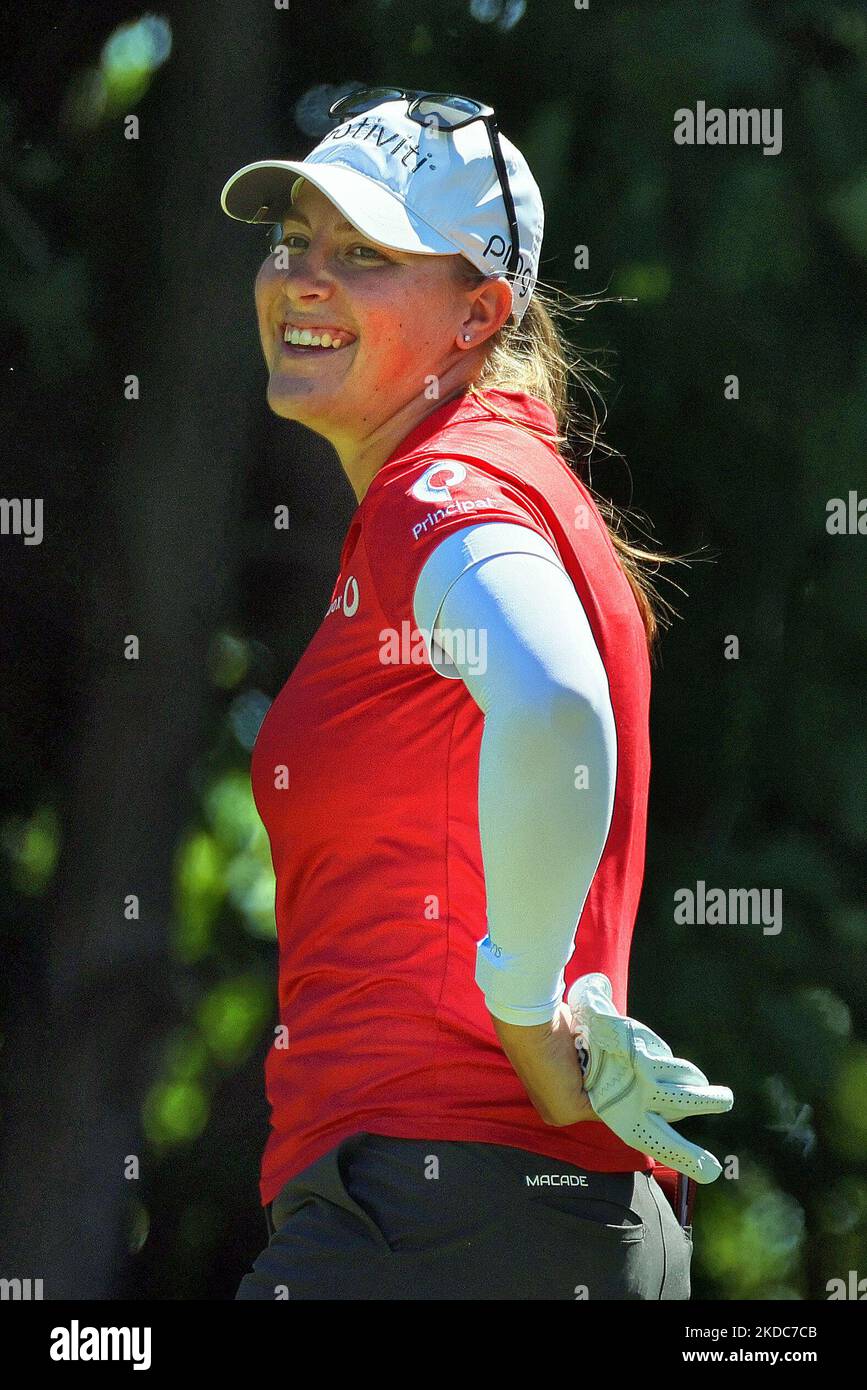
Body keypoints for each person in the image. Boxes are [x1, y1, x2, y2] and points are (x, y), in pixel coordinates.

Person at [221, 88, 732, 1301]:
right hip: (552, 1223)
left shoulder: (440, 490)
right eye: (294, 239)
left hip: (431, 1213)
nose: (302, 277)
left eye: (362, 254)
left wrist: (525, 1013)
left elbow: (556, 709)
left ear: (478, 315)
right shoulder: (517, 481)